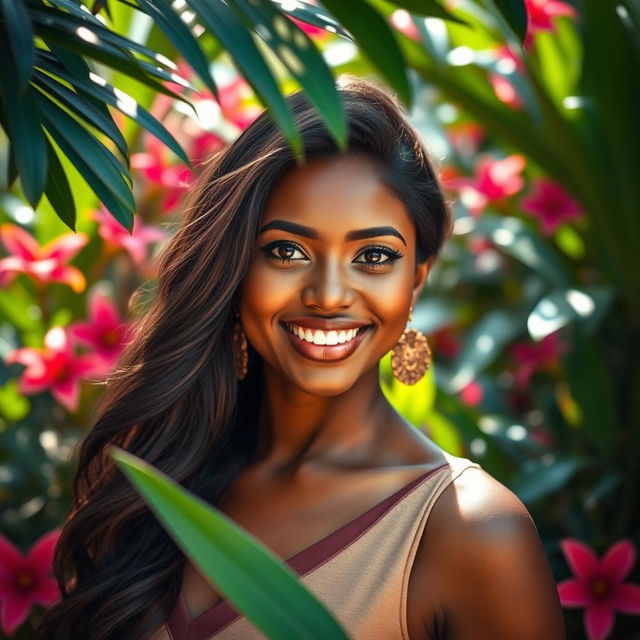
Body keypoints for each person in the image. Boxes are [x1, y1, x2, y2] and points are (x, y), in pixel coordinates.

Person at [36, 75, 566, 640]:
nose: (330, 294)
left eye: (374, 255)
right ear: (235, 268)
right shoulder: (166, 471)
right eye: (287, 251)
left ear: (417, 281)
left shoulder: (472, 532)